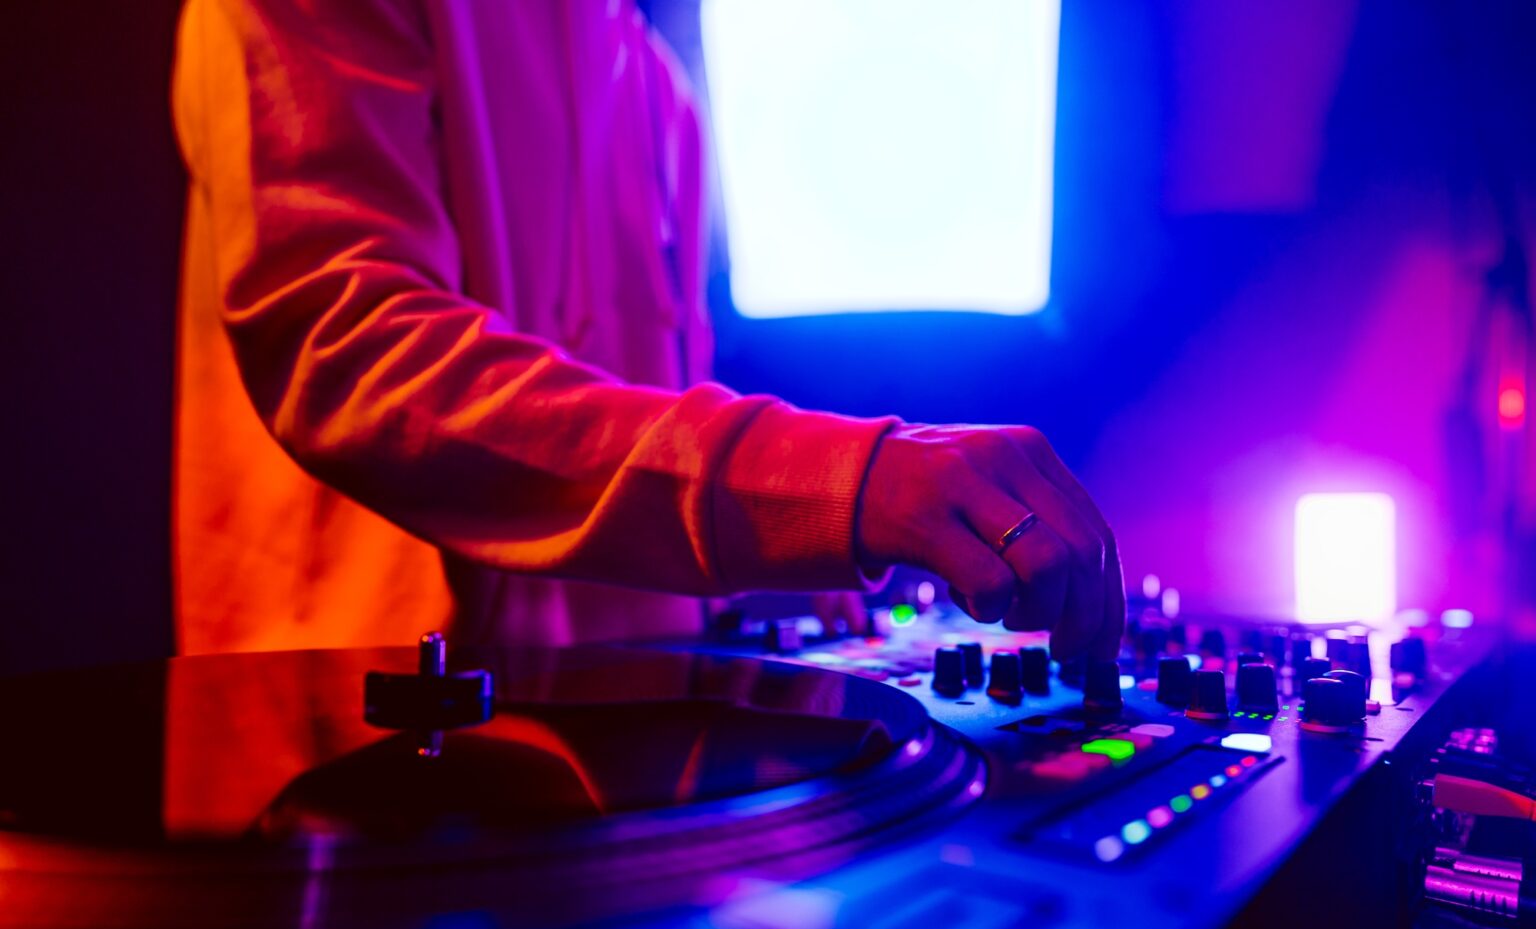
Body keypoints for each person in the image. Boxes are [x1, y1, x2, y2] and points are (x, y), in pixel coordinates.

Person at [169, 0, 1124, 662]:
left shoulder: (658, 87)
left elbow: (637, 454)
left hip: (609, 774)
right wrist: (843, 483)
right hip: (347, 778)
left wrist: (784, 567)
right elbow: (349, 352)